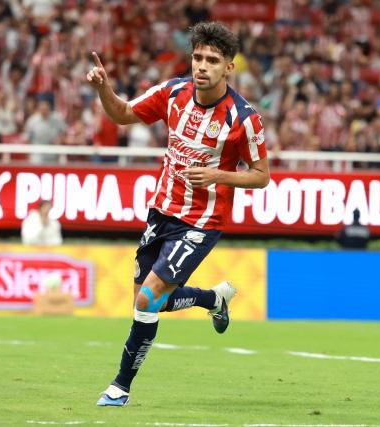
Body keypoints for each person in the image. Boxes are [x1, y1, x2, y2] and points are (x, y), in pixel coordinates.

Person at [86, 22, 270, 406]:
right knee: (151, 301)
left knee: (146, 301)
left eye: (212, 60)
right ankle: (212, 300)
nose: (202, 66)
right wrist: (103, 87)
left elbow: (262, 176)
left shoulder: (243, 118)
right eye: (198, 57)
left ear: (228, 68)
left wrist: (218, 175)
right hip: (161, 211)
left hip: (202, 222)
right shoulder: (172, 94)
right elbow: (122, 114)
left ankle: (120, 387)